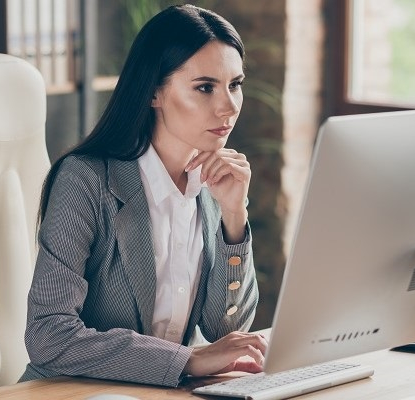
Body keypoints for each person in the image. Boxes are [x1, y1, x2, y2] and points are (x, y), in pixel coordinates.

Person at [19, 4, 266, 387]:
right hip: (70, 391)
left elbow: (224, 330)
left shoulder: (214, 185)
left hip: (157, 393)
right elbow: (49, 335)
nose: (229, 106)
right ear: (154, 93)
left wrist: (234, 216)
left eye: (235, 84)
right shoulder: (86, 180)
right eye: (205, 87)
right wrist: (188, 360)